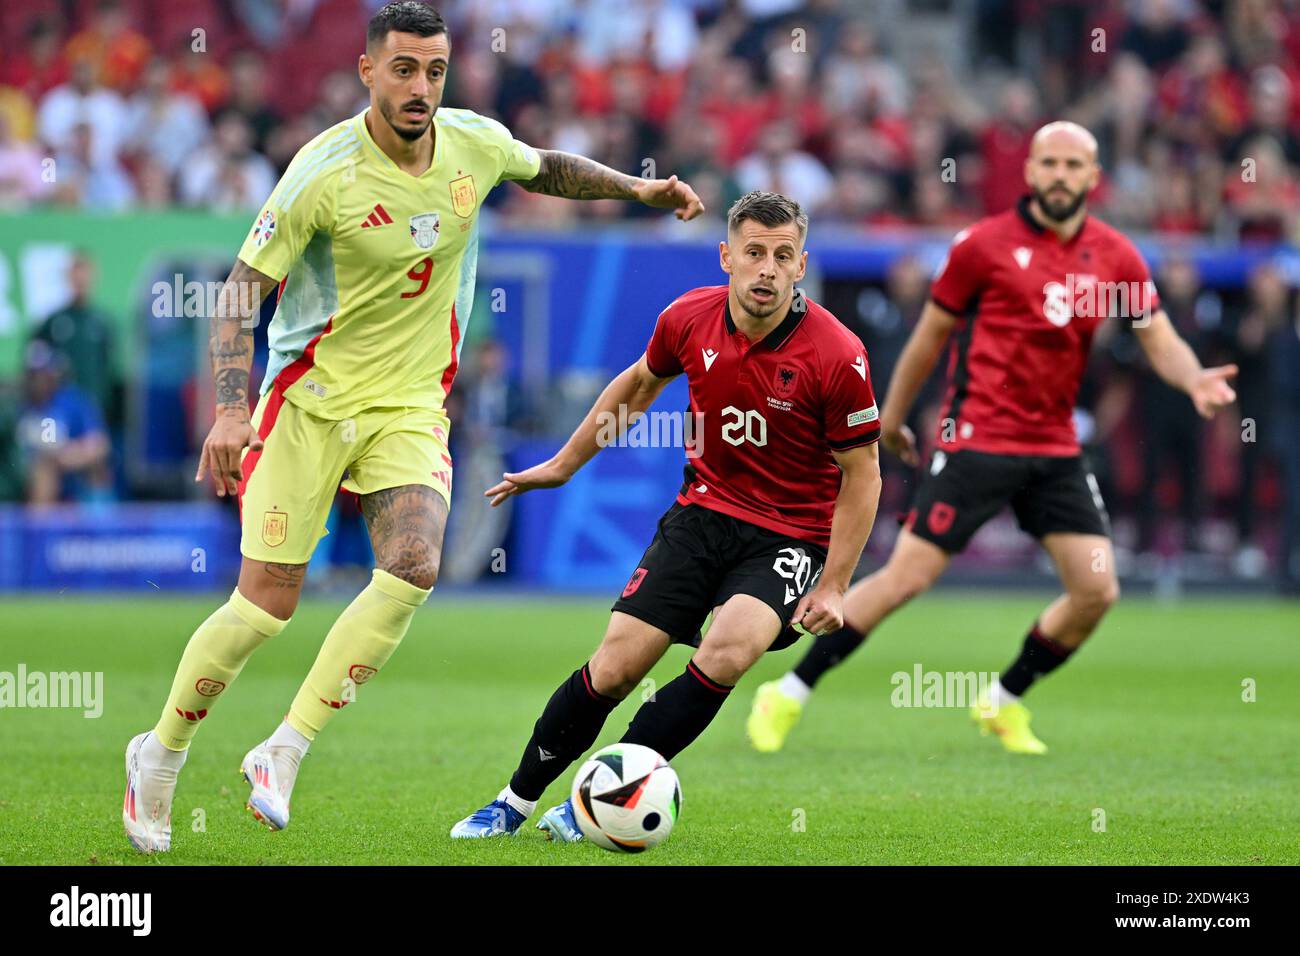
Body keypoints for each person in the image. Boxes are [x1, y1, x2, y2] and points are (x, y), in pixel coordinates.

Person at [121, 0, 703, 855]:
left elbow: (545, 168)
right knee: (265, 607)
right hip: (309, 402)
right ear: (368, 72)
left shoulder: (472, 142)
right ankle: (160, 754)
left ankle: (284, 748)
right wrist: (233, 407)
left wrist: (637, 188)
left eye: (433, 70)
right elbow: (239, 290)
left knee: (414, 564)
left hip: (409, 407)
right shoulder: (322, 172)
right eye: (402, 69)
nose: (421, 87)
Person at [747, 121, 1238, 756]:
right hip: (978, 440)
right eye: (1050, 163)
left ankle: (1002, 700)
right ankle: (788, 691)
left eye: (1074, 165)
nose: (1060, 176)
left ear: (1093, 178)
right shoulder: (984, 246)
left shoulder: (1115, 255)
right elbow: (928, 337)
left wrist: (1194, 376)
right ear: (1030, 172)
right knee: (905, 579)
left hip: (1056, 448)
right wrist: (889, 418)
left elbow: (1157, 335)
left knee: (1096, 590)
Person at [450, 190, 882, 841]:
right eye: (754, 253)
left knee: (728, 650)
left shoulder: (837, 355)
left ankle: (595, 803)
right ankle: (512, 802)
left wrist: (836, 583)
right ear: (726, 256)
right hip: (700, 518)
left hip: (790, 537)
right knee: (615, 667)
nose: (766, 269)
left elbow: (863, 473)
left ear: (800, 266)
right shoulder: (686, 318)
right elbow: (638, 385)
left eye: (782, 256)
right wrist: (565, 463)